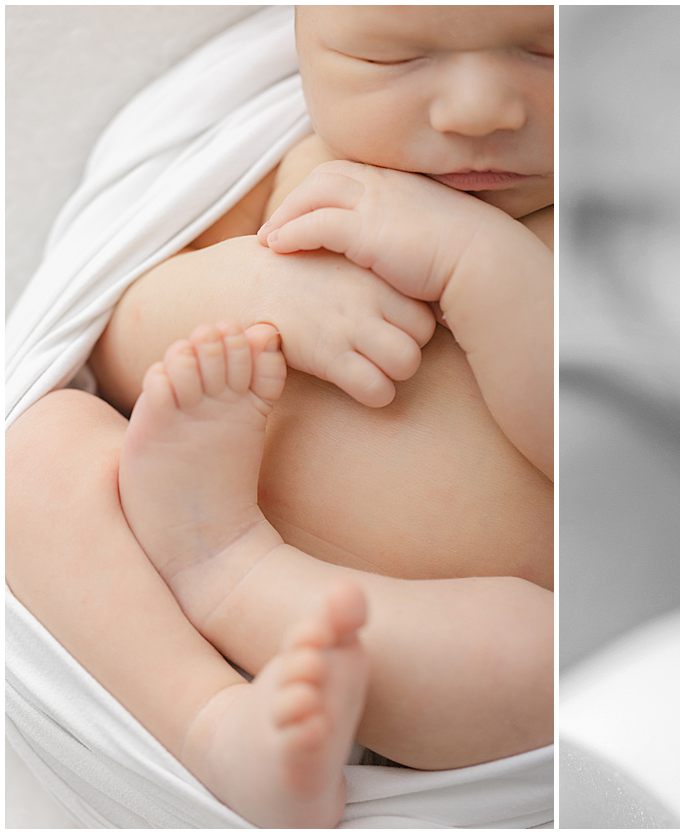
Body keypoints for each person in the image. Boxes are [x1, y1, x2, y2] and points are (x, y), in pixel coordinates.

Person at [7, 6, 553, 826]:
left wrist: (485, 269)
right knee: (37, 450)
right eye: (395, 57)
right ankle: (212, 725)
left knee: (550, 663)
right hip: (163, 561)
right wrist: (250, 290)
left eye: (549, 50)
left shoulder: (629, 230)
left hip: (431, 664)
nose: (478, 110)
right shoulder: (290, 169)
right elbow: (108, 343)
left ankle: (233, 575)